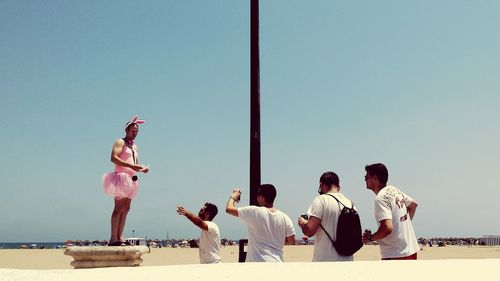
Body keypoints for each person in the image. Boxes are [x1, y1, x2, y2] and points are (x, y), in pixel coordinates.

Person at [103, 115, 150, 246]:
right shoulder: (120, 142)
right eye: (133, 131)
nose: (135, 134)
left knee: (126, 208)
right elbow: (113, 158)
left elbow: (135, 163)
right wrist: (131, 166)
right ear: (127, 131)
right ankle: (113, 238)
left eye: (137, 132)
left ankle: (120, 236)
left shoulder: (135, 146)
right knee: (118, 208)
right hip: (121, 177)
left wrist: (141, 168)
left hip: (132, 179)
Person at [362, 163, 419, 260]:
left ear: (375, 178)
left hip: (395, 254)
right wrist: (403, 224)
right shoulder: (394, 190)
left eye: (366, 177)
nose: (364, 180)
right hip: (411, 250)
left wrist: (370, 238)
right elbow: (413, 205)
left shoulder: (380, 198)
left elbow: (387, 228)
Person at [226, 184, 296, 262]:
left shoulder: (254, 211)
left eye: (258, 195)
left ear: (262, 197)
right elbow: (292, 241)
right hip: (277, 263)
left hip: (257, 264)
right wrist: (275, 241)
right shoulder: (285, 217)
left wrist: (233, 197)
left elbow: (229, 209)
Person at [298, 171, 355, 261]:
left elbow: (309, 231)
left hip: (325, 260)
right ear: (338, 186)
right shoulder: (351, 204)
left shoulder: (321, 200)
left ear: (321, 185)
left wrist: (303, 223)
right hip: (348, 260)